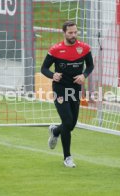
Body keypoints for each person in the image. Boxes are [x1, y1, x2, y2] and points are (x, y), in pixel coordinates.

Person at [41, 21, 94, 168]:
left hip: (75, 89)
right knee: (68, 120)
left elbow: (90, 66)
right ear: (64, 33)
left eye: (75, 32)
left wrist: (84, 75)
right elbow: (44, 68)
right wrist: (53, 75)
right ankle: (67, 157)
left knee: (71, 124)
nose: (73, 35)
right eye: (70, 32)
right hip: (60, 89)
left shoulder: (84, 48)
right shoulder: (56, 49)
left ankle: (55, 130)